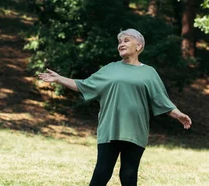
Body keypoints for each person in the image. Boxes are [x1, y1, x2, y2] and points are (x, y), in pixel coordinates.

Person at [38, 28, 192, 186]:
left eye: (126, 41)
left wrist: (178, 114)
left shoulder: (149, 72)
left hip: (135, 131)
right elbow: (83, 85)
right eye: (119, 42)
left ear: (138, 46)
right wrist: (59, 79)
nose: (121, 44)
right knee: (101, 174)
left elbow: (161, 100)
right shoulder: (110, 69)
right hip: (110, 129)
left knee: (129, 176)